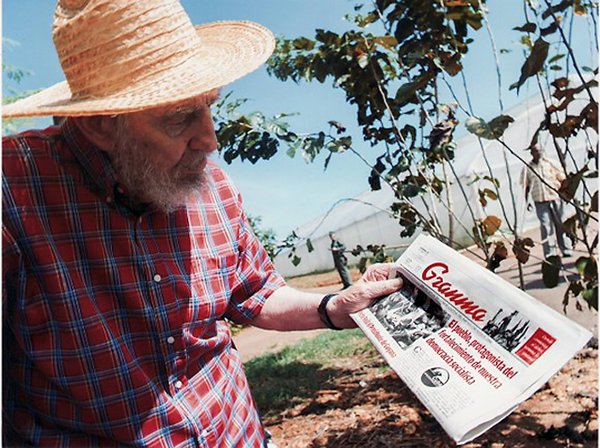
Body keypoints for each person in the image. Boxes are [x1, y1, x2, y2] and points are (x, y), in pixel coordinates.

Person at [1, 1, 403, 446]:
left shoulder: (211, 187)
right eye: (179, 117)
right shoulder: (13, 195)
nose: (210, 140)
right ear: (99, 124)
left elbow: (256, 293)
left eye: (209, 106)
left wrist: (332, 307)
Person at [522, 143, 573, 258]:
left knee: (561, 223)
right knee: (546, 226)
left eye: (539, 150)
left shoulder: (551, 163)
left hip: (554, 197)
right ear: (531, 153)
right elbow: (526, 185)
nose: (538, 152)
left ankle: (566, 249)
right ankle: (550, 253)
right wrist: (527, 201)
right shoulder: (528, 168)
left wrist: (564, 193)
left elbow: (563, 179)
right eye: (535, 151)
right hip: (540, 201)